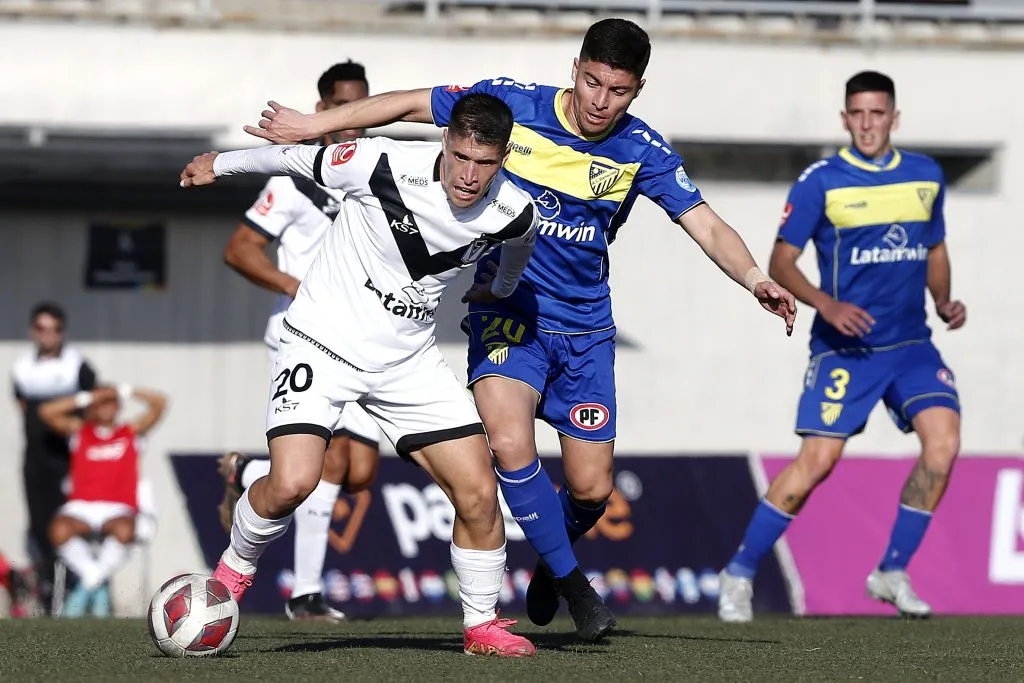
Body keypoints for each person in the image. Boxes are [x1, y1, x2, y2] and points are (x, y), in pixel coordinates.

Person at [242, 17, 797, 641]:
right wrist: (315, 126)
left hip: (586, 330)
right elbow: (414, 102)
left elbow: (706, 223)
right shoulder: (514, 105)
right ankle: (575, 587)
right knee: (507, 444)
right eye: (591, 82)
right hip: (507, 311)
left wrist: (754, 278)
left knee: (591, 489)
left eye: (616, 91)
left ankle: (551, 559)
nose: (599, 101)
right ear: (576, 68)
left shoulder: (642, 150)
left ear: (637, 90)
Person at [180, 93, 540, 657]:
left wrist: (500, 289)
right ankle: (232, 574)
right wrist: (220, 165)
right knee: (294, 482)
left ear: (503, 159)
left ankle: (481, 625)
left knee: (478, 491)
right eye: (462, 157)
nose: (470, 176)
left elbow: (517, 250)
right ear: (445, 141)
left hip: (407, 363)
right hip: (321, 343)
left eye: (485, 163)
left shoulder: (515, 210)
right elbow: (293, 159)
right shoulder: (379, 161)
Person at [717, 71, 965, 622]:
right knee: (817, 462)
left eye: (878, 114)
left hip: (911, 346)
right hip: (844, 349)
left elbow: (936, 247)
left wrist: (945, 301)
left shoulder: (925, 175)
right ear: (845, 119)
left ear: (893, 118)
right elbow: (782, 261)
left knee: (943, 445)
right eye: (858, 113)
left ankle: (891, 571)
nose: (868, 124)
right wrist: (826, 306)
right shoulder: (821, 181)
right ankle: (738, 573)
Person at [219, 60, 381, 622]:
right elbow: (240, 249)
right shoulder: (290, 180)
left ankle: (245, 473)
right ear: (319, 112)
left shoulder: (370, 176)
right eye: (340, 106)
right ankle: (305, 594)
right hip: (300, 334)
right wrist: (298, 286)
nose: (351, 121)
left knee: (360, 471)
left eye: (360, 107)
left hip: (361, 341)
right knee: (332, 460)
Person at [39, 384, 167, 617]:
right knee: (58, 530)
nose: (106, 407)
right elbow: (47, 412)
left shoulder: (130, 432)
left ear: (118, 406)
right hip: (82, 507)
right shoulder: (81, 432)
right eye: (100, 403)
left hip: (118, 507)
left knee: (126, 531)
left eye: (110, 402)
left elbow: (160, 403)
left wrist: (125, 390)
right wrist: (87, 396)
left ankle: (87, 585)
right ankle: (95, 579)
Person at [11, 302, 99, 614]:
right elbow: (23, 406)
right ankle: (50, 592)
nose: (48, 335)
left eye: (55, 329)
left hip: (68, 459)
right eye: (41, 328)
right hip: (35, 459)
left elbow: (95, 408)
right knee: (39, 525)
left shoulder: (77, 366)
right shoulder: (22, 368)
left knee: (70, 524)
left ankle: (80, 591)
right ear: (32, 331)